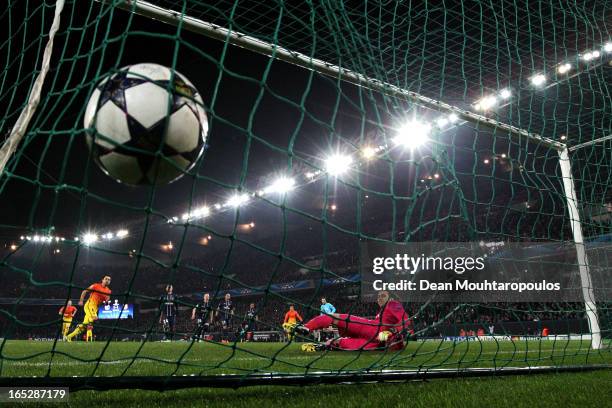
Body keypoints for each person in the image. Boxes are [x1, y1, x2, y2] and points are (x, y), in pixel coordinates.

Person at [297, 291, 411, 352]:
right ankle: (318, 339)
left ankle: (309, 330)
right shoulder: (384, 310)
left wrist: (392, 331)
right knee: (343, 342)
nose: (379, 298)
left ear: (390, 298)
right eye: (378, 296)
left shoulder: (393, 304)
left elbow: (406, 321)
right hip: (375, 340)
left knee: (336, 320)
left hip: (371, 332)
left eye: (383, 295)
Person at [66, 276, 111, 342]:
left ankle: (69, 337)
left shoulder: (108, 291)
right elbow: (84, 291)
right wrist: (81, 301)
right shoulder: (95, 286)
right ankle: (80, 327)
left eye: (109, 280)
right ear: (102, 280)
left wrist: (107, 303)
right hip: (89, 305)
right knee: (94, 318)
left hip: (95, 308)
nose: (107, 280)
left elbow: (106, 302)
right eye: (106, 279)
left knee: (85, 325)